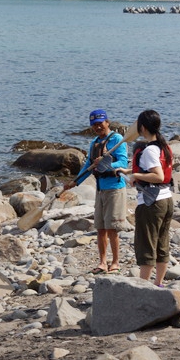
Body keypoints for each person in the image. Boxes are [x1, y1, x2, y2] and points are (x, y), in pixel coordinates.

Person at [64, 109, 129, 274]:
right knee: (100, 228)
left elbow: (123, 162)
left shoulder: (117, 140)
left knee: (112, 228)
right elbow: (88, 166)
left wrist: (106, 162)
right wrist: (75, 182)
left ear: (107, 122)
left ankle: (115, 262)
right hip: (100, 189)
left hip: (115, 188)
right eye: (94, 125)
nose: (97, 127)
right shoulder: (94, 142)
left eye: (100, 123)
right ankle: (102, 262)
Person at [115, 110, 174, 287]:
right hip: (167, 200)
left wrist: (135, 177)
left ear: (141, 127)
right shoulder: (164, 146)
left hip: (151, 203)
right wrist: (130, 172)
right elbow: (157, 171)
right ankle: (158, 283)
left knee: (146, 244)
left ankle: (143, 286)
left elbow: (157, 175)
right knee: (162, 243)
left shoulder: (149, 150)